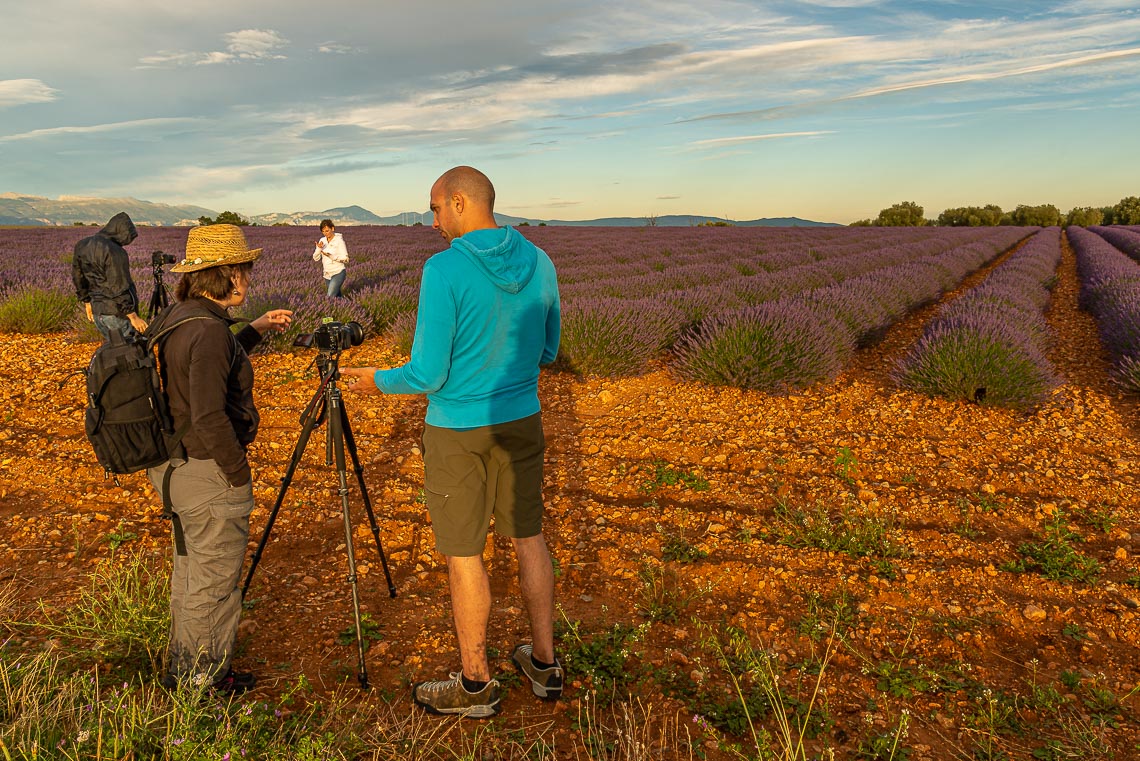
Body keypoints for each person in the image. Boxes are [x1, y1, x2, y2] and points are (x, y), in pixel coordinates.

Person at [342, 166, 561, 718]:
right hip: (522, 421)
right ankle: (544, 662)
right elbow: (549, 350)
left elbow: (427, 374)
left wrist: (376, 380)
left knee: (465, 553)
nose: (432, 220)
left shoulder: (443, 270)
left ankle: (475, 685)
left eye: (436, 208)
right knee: (528, 537)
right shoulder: (541, 261)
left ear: (461, 202)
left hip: (458, 431)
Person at [150, 224, 293, 694]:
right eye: (244, 271)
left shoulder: (181, 317)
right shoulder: (208, 332)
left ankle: (183, 669)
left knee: (192, 574)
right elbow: (210, 415)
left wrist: (253, 329)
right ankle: (203, 685)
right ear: (228, 274)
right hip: (208, 474)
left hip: (175, 469)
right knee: (214, 584)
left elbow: (204, 370)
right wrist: (238, 476)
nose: (248, 280)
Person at [72, 211, 149, 341]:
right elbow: (118, 286)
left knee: (115, 351)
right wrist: (133, 316)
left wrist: (87, 302)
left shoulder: (82, 245)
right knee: (132, 352)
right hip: (116, 313)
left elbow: (78, 276)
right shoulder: (115, 251)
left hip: (98, 311)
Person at [313, 219, 349, 297]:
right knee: (337, 297)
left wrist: (332, 256)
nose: (325, 233)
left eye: (327, 231)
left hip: (338, 272)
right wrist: (319, 248)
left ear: (332, 229)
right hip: (327, 274)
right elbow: (316, 258)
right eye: (323, 231)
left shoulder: (339, 241)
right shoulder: (322, 240)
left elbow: (346, 259)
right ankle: (350, 307)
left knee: (330, 297)